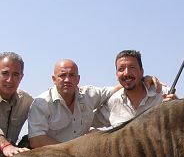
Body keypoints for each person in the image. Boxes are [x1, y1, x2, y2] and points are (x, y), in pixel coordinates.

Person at [28, 59, 162, 148]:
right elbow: (36, 140)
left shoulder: (90, 95)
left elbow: (120, 86)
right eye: (62, 75)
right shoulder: (41, 103)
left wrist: (144, 79)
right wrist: (70, 150)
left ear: (78, 79)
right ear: (54, 79)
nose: (67, 80)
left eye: (72, 75)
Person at [92, 50, 176, 128]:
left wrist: (177, 108)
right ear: (116, 74)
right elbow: (85, 122)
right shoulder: (112, 102)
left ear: (142, 71)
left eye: (132, 67)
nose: (126, 73)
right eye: (121, 69)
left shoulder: (164, 94)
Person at [0, 52, 33, 157]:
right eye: (5, 73)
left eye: (15, 74)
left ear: (21, 77)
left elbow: (45, 116)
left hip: (10, 156)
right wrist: (5, 146)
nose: (10, 80)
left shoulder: (26, 100)